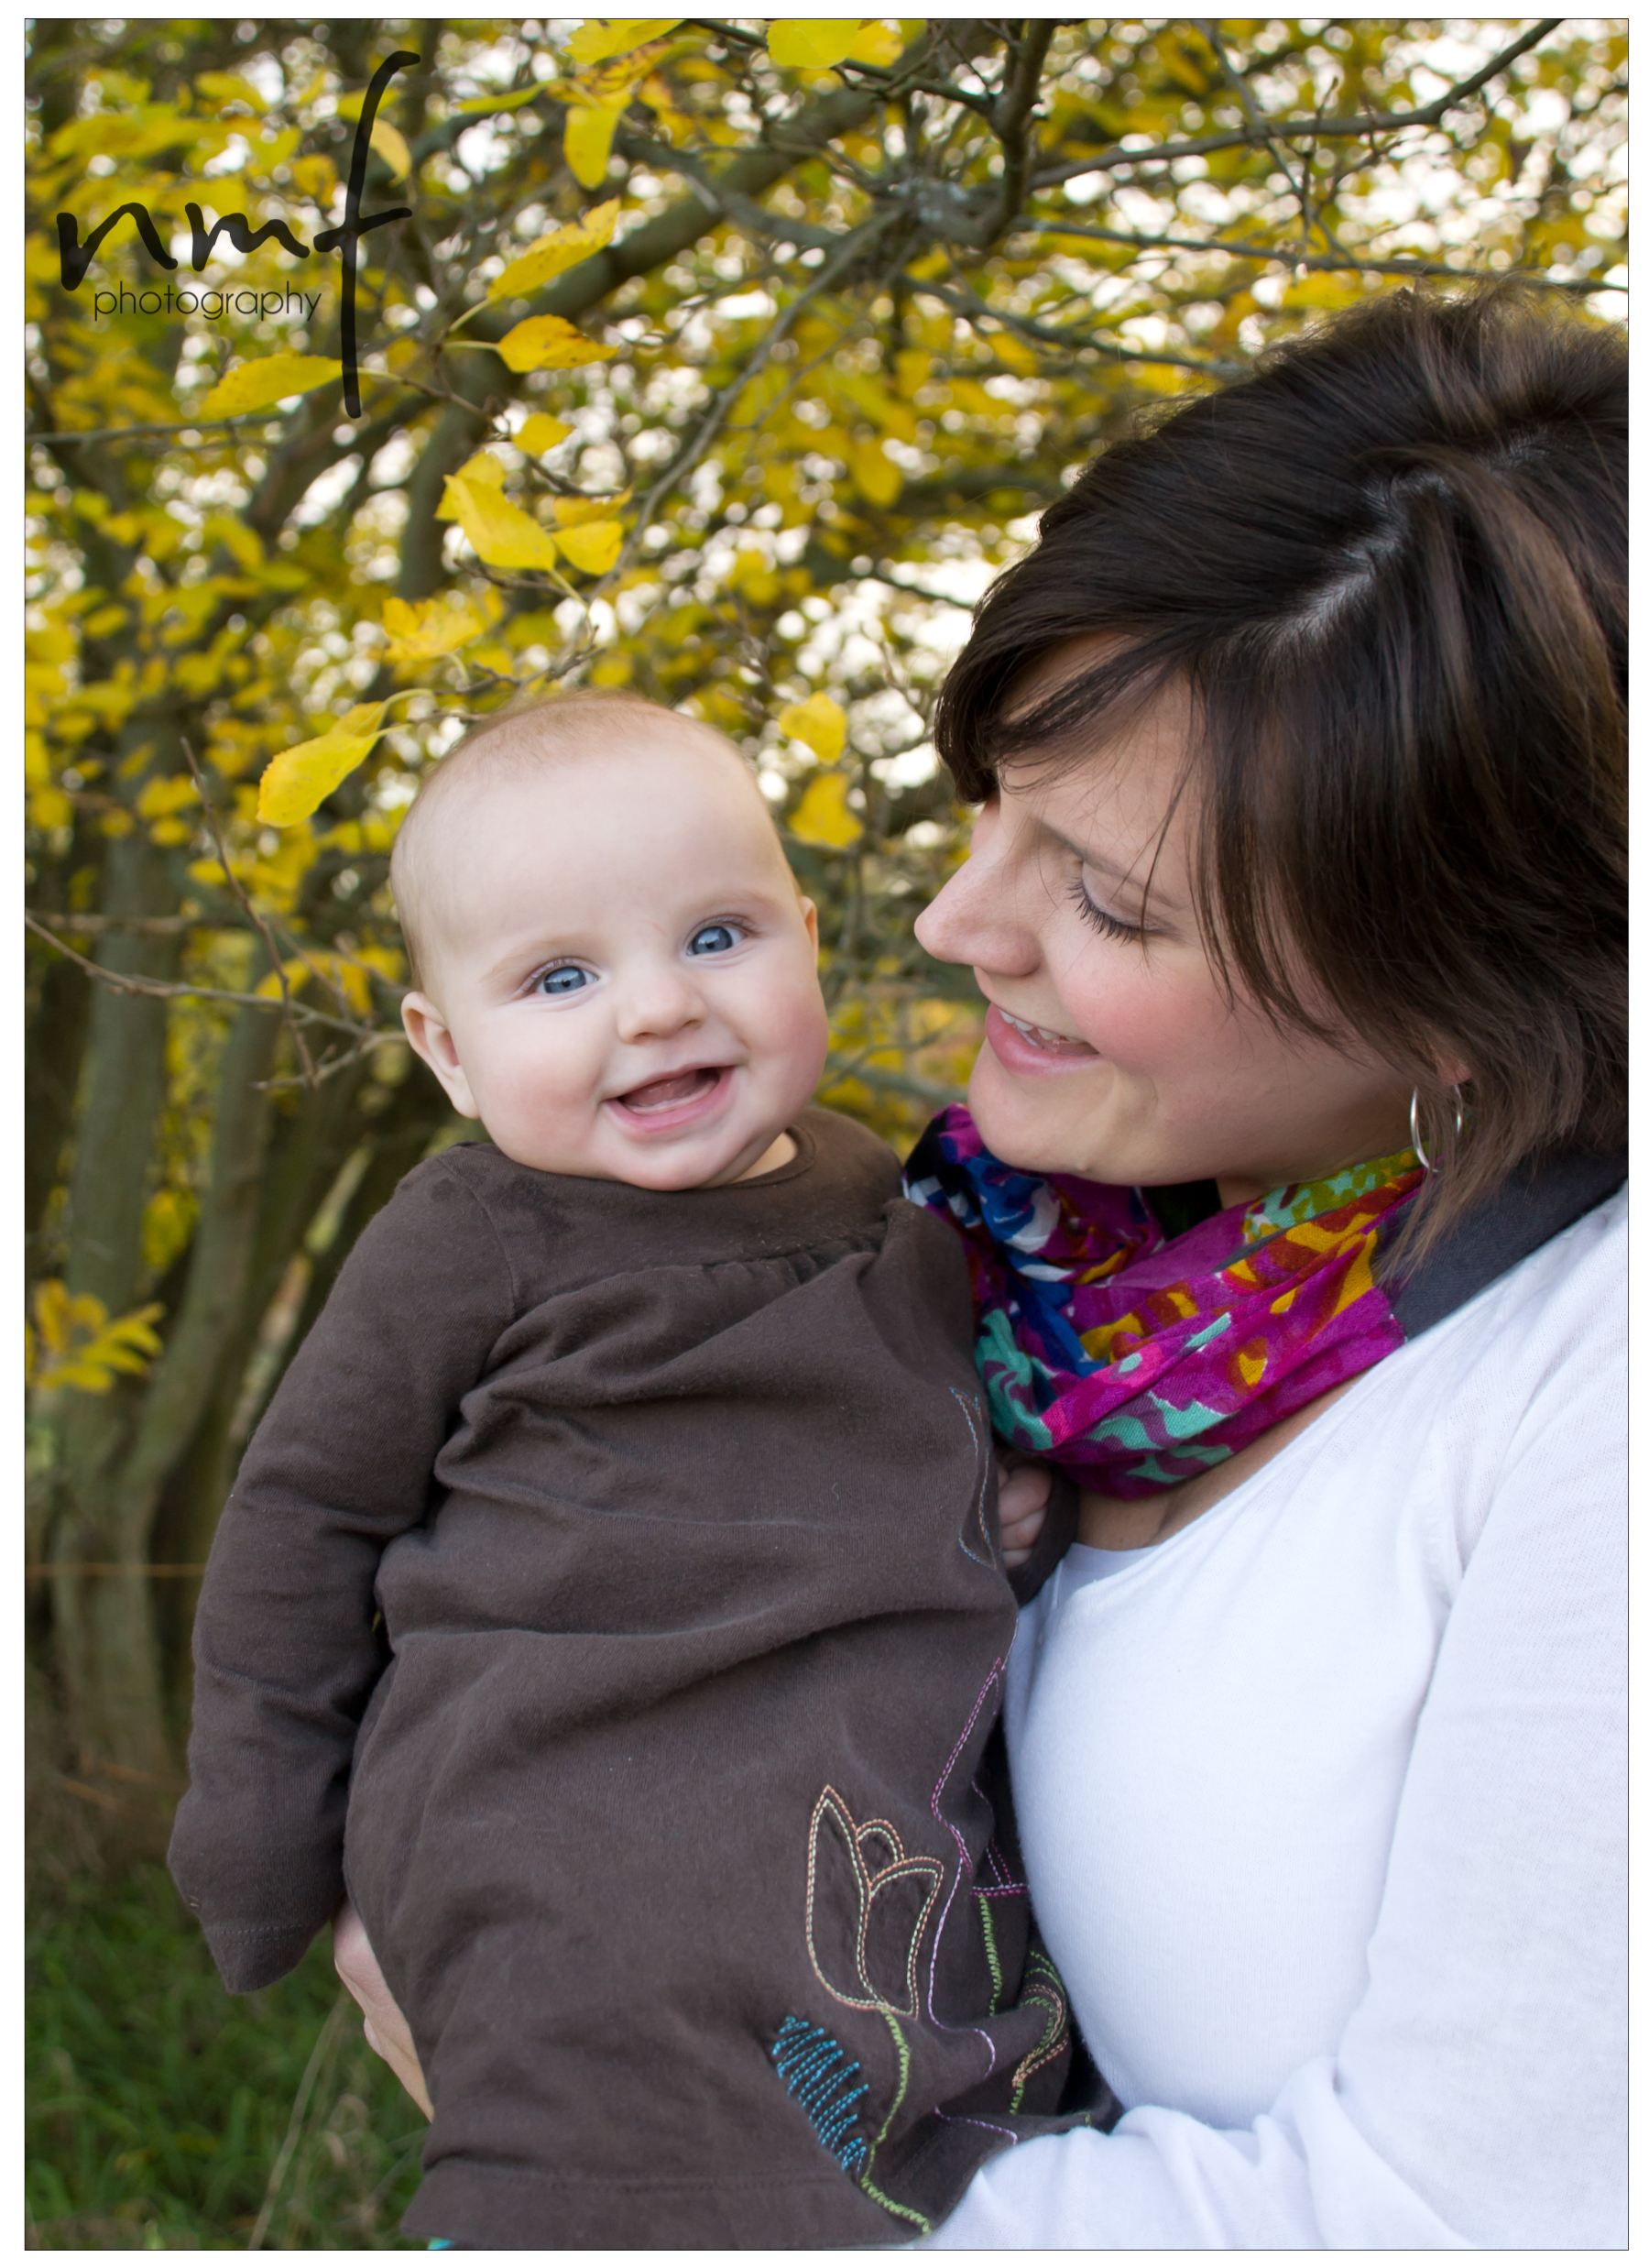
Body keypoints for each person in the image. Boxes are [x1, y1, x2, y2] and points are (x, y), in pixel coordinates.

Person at [167, 693, 1087, 2251]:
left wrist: (996, 1521)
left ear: (806, 939)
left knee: (912, 2126)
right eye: (561, 978)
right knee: (600, 2149)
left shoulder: (898, 1214)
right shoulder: (474, 1239)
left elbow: (901, 1468)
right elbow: (303, 1523)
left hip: (848, 1808)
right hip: (559, 1810)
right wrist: (261, 1841)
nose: (657, 1008)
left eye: (717, 937)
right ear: (447, 1052)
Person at [895, 283, 1625, 2247]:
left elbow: (1458, 2224)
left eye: (1111, 900)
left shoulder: (1592, 1376)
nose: (960, 917)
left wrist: (665, 2150)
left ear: (1462, 988)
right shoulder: (1039, 1276)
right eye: (992, 803)